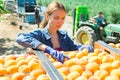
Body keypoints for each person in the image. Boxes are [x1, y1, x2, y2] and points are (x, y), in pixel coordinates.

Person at [16, 1, 93, 63]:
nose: (60, 21)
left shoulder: (64, 36)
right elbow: (20, 37)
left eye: (63, 18)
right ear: (47, 17)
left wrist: (82, 48)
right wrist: (47, 49)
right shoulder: (40, 35)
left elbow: (73, 49)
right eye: (56, 18)